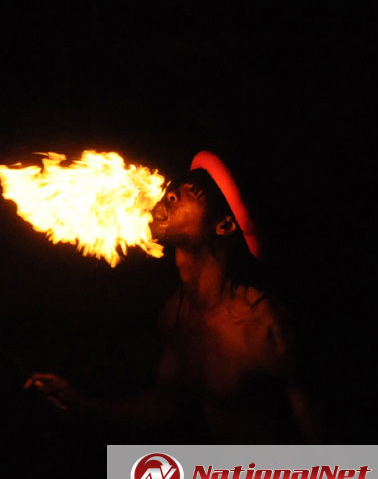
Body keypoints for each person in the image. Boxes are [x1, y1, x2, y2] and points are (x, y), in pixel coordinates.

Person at [26, 151, 320, 443]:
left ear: (225, 225)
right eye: (173, 192)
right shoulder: (178, 314)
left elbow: (323, 436)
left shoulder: (265, 327)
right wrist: (85, 405)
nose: (170, 196)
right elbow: (163, 406)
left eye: (191, 194)